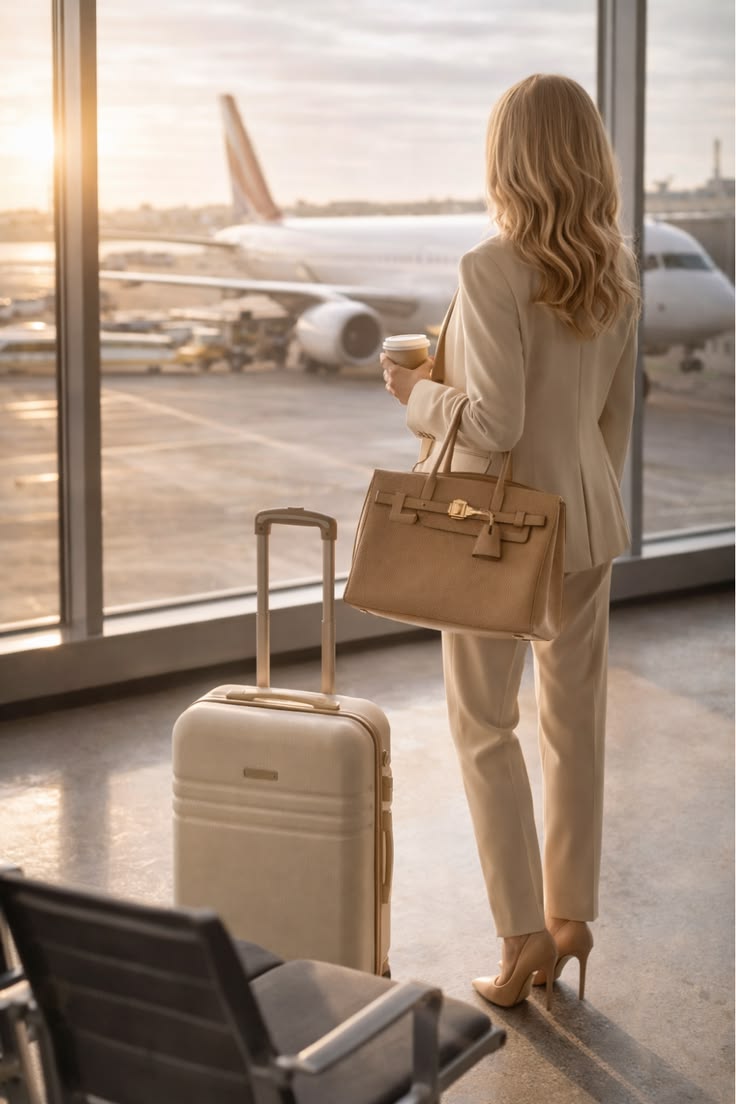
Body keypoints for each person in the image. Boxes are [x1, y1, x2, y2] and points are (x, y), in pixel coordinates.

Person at [381, 73, 641, 1010]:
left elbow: (489, 423)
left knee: (483, 726)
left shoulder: (490, 270)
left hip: (501, 534)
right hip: (588, 524)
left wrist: (414, 392)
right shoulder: (615, 266)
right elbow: (614, 420)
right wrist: (589, 506)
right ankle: (571, 917)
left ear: (510, 158)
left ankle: (521, 934)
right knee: (574, 726)